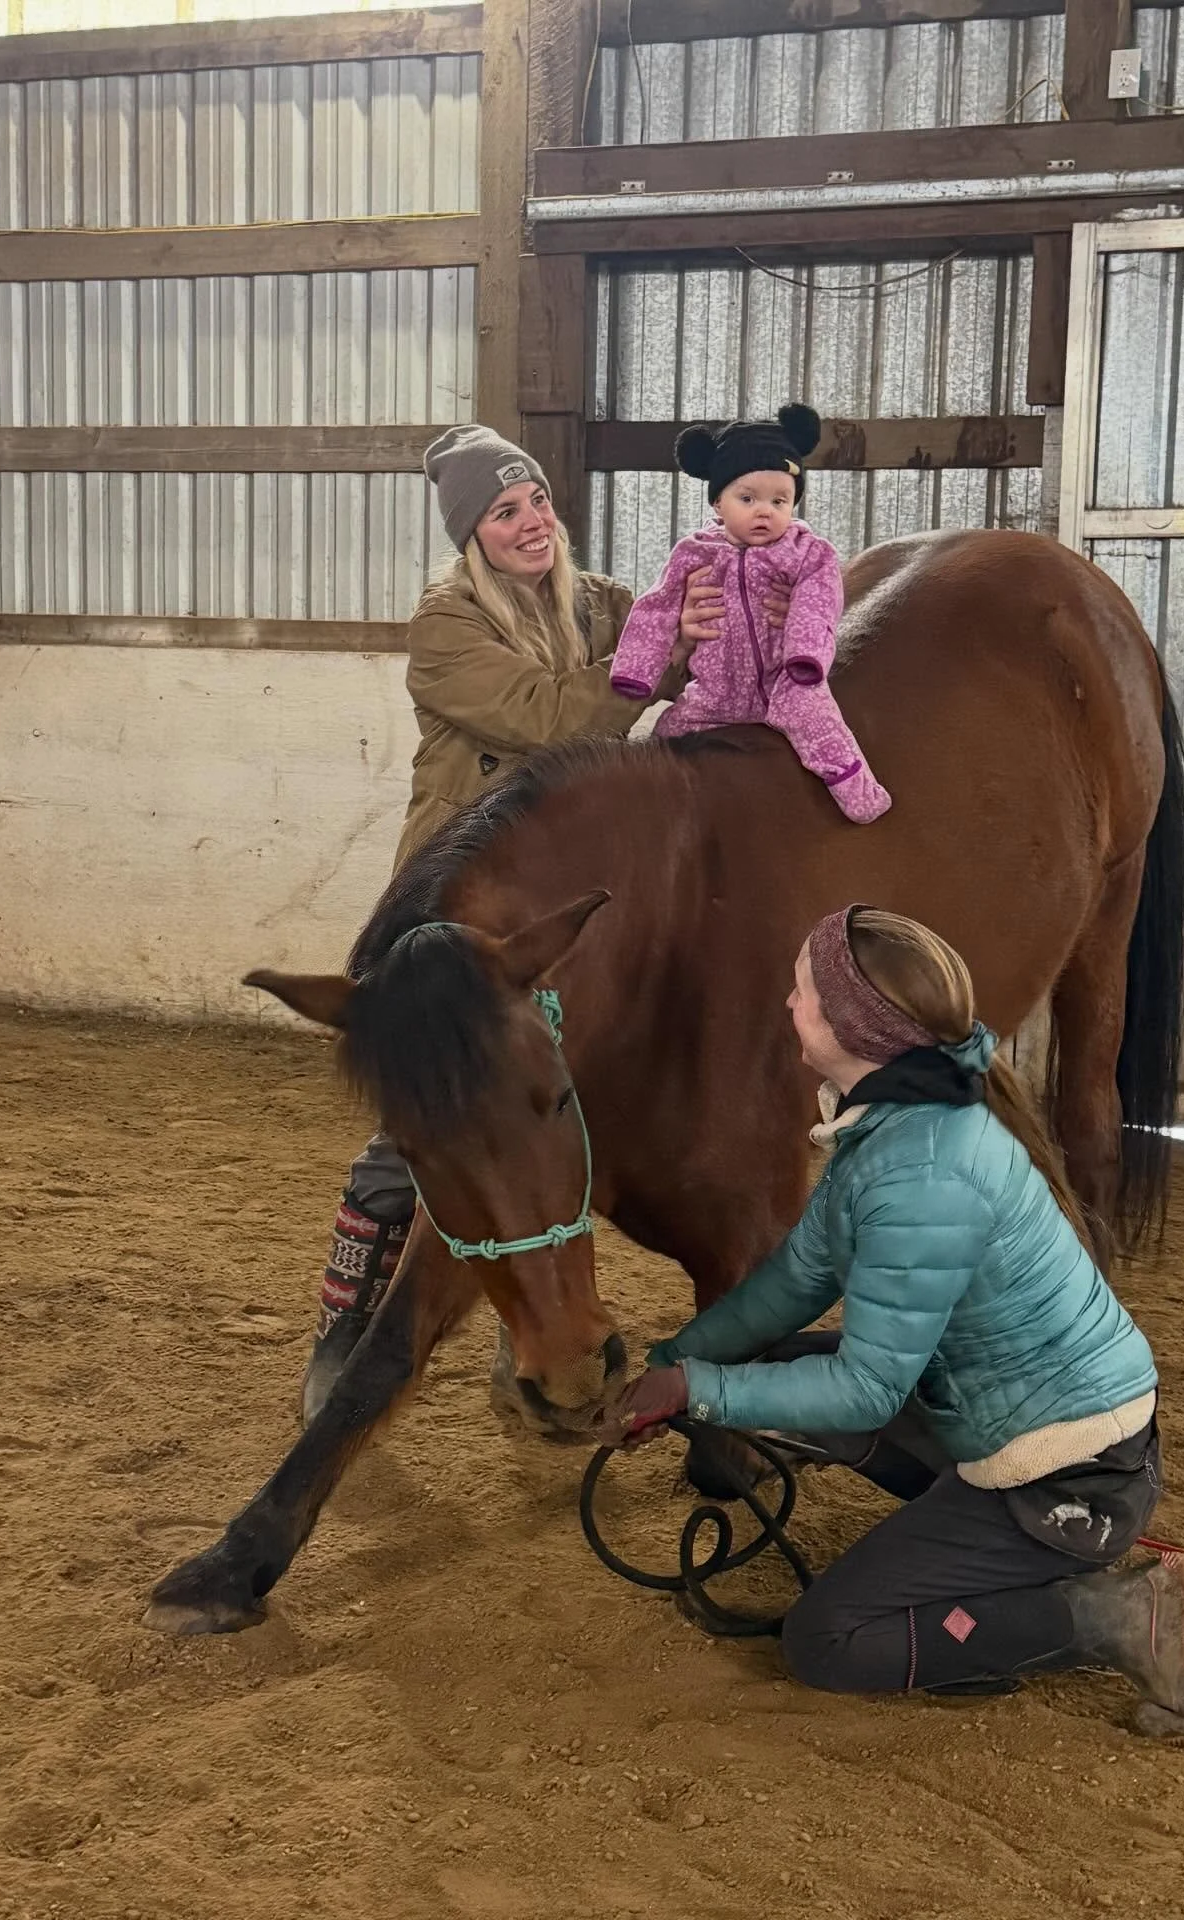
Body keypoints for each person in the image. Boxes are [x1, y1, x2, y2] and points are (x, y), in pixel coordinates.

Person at [603, 906, 1184, 1740]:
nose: (788, 1005)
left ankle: (1110, 1614)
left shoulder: (920, 1173)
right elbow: (794, 1280)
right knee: (772, 1363)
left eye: (803, 992)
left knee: (827, 1641)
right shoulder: (895, 1126)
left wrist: (697, 1390)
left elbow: (864, 1391)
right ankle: (976, 1564)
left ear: (854, 1029)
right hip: (1034, 1423)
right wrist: (674, 1364)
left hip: (1070, 1481)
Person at [304, 424, 789, 1415]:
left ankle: (530, 1322)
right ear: (472, 534)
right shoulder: (446, 627)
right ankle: (344, 1331)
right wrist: (661, 662)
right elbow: (545, 718)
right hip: (459, 920)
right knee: (425, 1128)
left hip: (565, 912)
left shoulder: (602, 599)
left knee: (552, 1115)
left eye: (534, 503)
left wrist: (744, 578)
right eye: (503, 512)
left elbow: (682, 633)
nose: (530, 523)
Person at [608, 404, 890, 824]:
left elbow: (818, 605)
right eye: (748, 498)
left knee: (823, 729)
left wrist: (805, 658)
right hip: (715, 691)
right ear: (718, 503)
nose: (765, 511)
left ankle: (862, 799)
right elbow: (658, 606)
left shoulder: (808, 553)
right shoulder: (694, 553)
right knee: (664, 735)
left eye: (780, 500)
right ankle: (651, 820)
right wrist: (637, 670)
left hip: (787, 682)